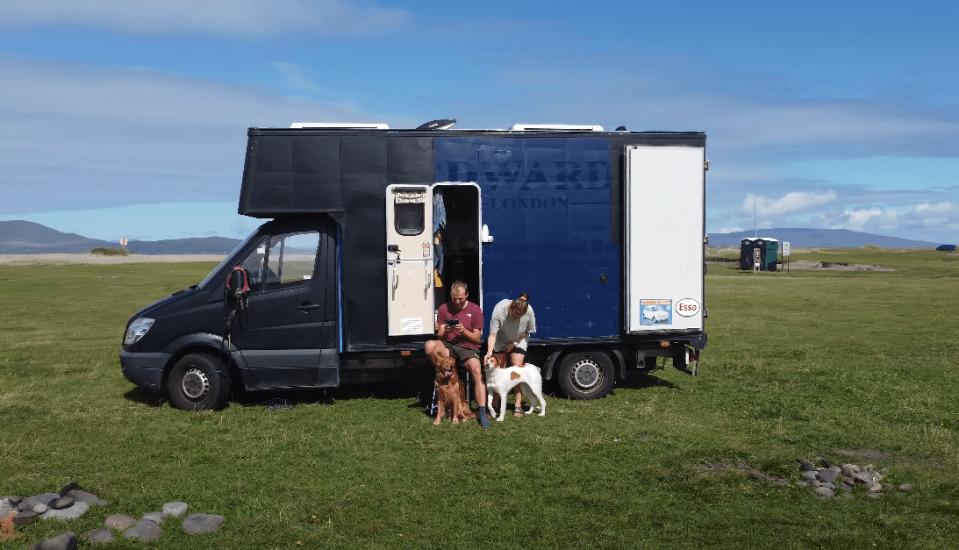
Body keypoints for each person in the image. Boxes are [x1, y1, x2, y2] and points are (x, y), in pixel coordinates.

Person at [425, 281, 490, 428]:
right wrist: (445, 330)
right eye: (454, 298)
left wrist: (463, 331)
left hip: (468, 347)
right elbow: (440, 335)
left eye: (460, 298)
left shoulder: (475, 310)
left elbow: (477, 338)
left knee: (477, 370)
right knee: (429, 346)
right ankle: (444, 373)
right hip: (449, 346)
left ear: (466, 295)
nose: (457, 301)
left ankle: (481, 410)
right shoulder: (443, 308)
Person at [484, 293, 536, 417]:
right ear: (510, 308)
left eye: (520, 315)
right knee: (498, 371)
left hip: (519, 340)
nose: (516, 317)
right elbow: (492, 335)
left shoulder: (529, 312)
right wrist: (489, 353)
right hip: (500, 339)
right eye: (514, 314)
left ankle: (518, 406)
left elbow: (528, 330)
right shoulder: (499, 310)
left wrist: (514, 343)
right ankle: (495, 404)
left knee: (516, 369)